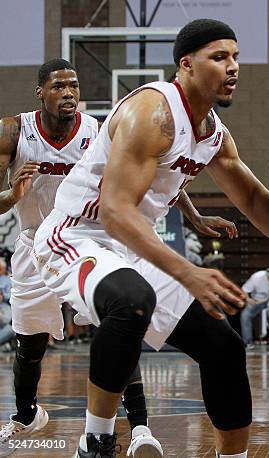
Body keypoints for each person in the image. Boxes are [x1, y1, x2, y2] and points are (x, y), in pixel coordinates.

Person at [30, 23, 269, 458]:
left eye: (235, 57)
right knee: (132, 301)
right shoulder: (152, 113)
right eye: (219, 57)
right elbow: (116, 212)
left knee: (224, 346)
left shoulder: (212, 132)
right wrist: (190, 272)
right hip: (77, 232)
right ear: (186, 65)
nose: (233, 67)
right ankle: (95, 441)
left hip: (133, 241)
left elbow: (249, 195)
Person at [0, 59, 173, 456]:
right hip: (32, 244)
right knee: (30, 346)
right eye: (59, 87)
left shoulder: (98, 131)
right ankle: (27, 415)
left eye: (74, 86)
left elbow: (152, 176)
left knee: (118, 326)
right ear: (40, 92)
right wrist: (13, 195)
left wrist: (196, 218)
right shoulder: (13, 131)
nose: (68, 94)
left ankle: (142, 429)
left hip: (85, 242)